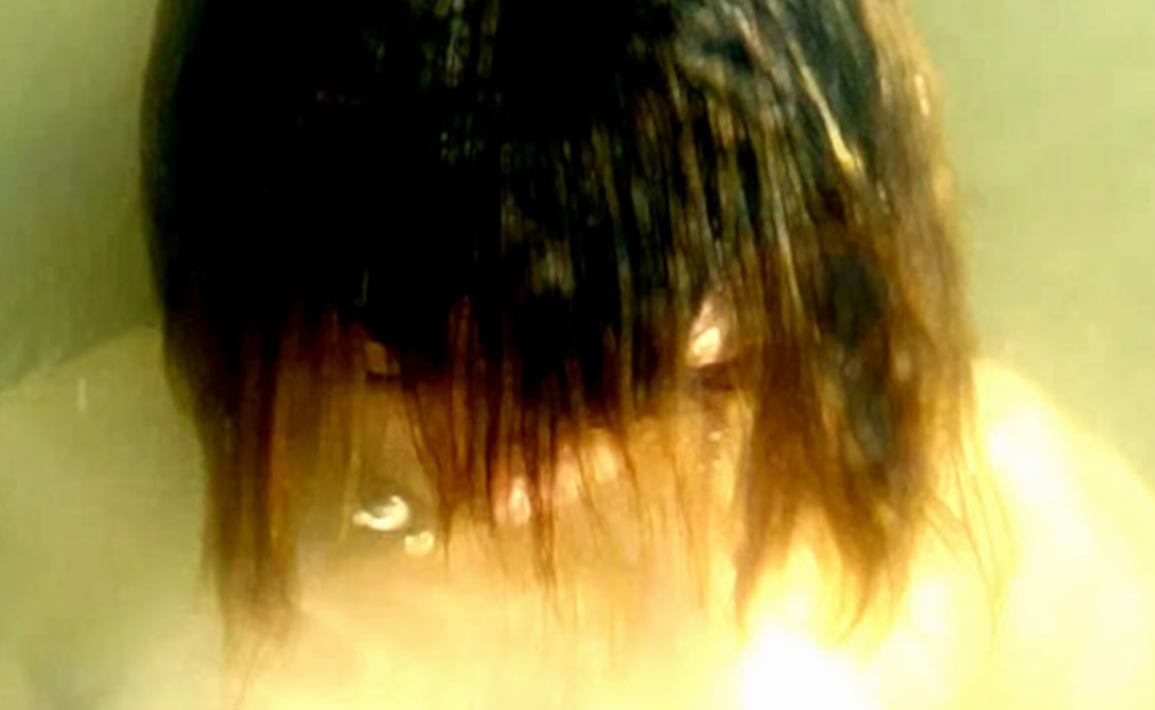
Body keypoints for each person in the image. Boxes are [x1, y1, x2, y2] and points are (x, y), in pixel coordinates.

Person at [1, 0, 1153, 708]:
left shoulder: (999, 522)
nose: (513, 485)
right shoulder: (46, 511)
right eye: (398, 370)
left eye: (662, 380)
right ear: (247, 283)